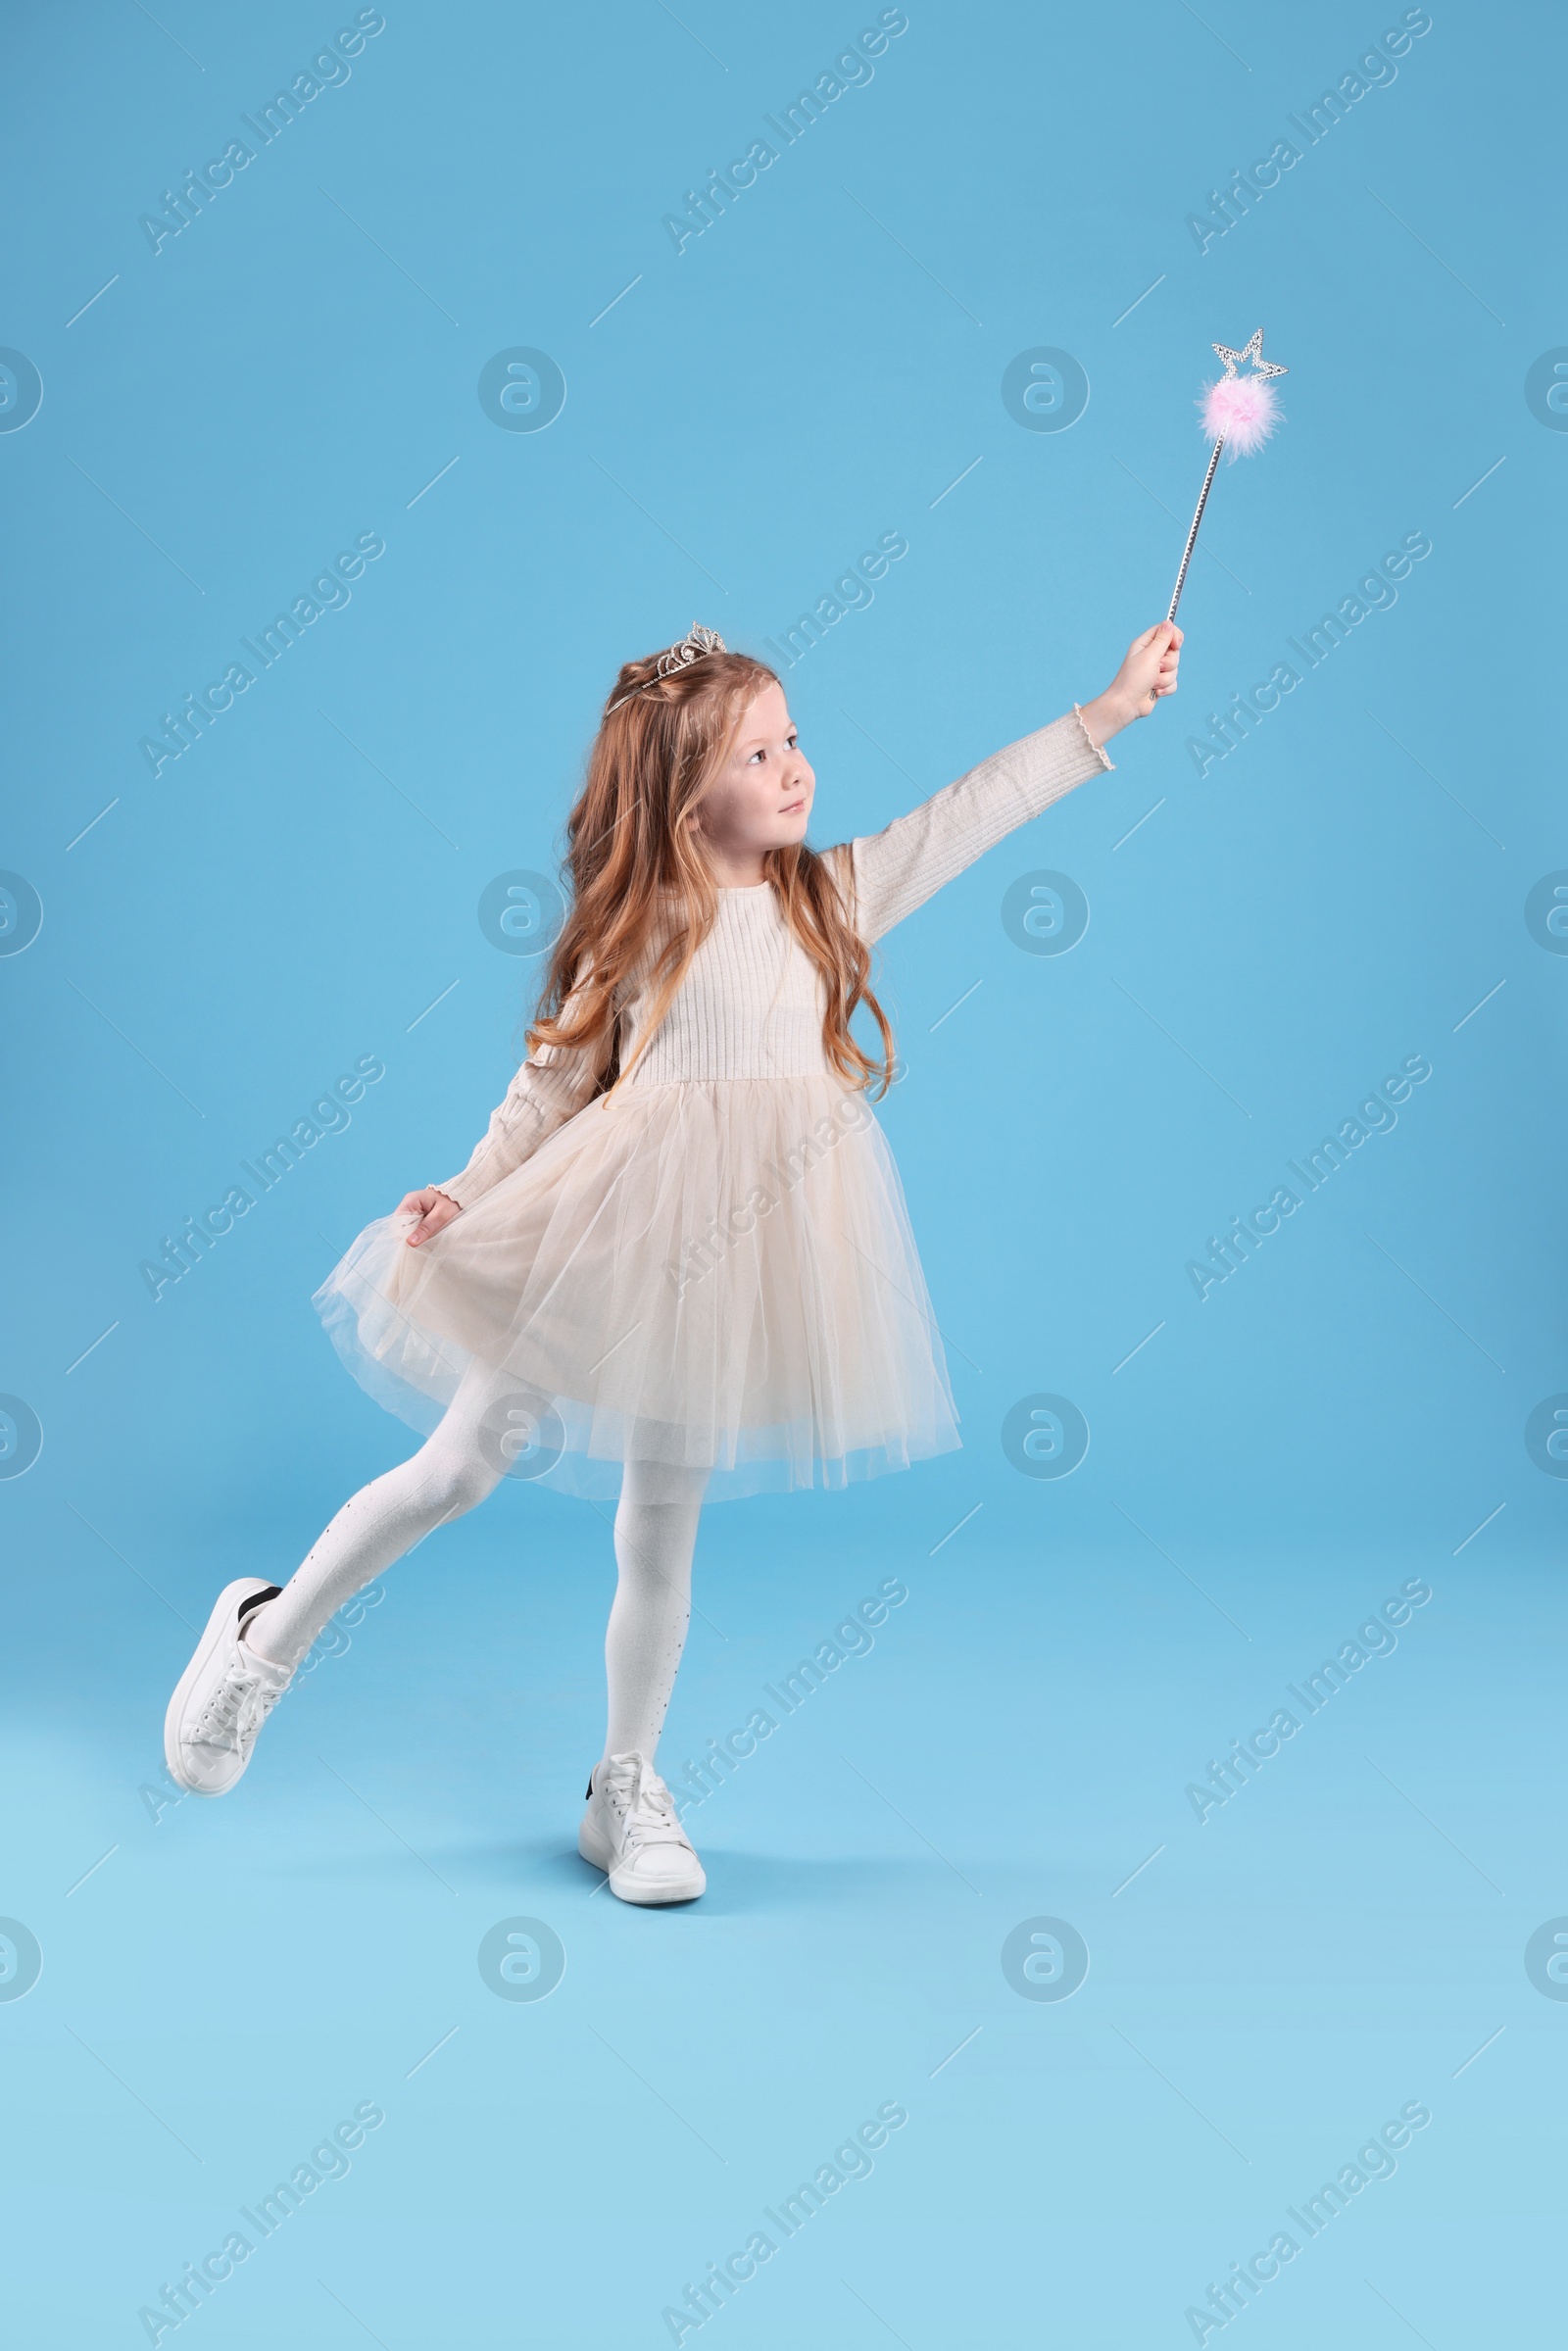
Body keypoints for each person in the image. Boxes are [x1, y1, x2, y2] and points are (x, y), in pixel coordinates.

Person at [163, 617, 1181, 1904]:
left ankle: (625, 1785)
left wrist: (1104, 714)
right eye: (760, 755)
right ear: (686, 795)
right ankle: (266, 1634)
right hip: (611, 1221)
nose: (797, 768)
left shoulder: (830, 896)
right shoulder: (639, 922)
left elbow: (968, 812)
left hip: (746, 1248)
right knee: (461, 1465)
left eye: (795, 739)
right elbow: (549, 1087)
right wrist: (469, 1191)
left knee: (663, 1531)